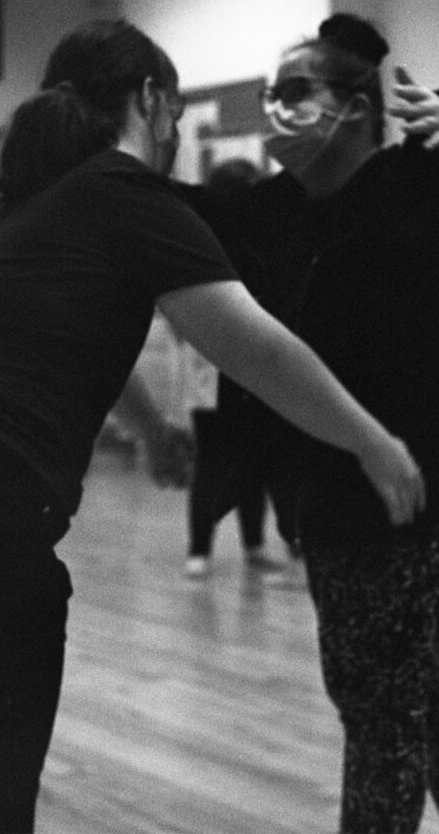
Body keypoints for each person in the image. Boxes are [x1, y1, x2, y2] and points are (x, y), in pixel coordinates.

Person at [0, 18, 426, 834]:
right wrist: (373, 440)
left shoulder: (30, 203)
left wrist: (155, 428)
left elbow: (74, 332)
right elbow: (251, 346)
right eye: (176, 119)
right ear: (154, 101)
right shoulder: (126, 192)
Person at [177, 13, 439, 833]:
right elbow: (179, 213)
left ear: (355, 109)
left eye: (296, 93)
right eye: (270, 96)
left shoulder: (406, 183)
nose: (276, 109)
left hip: (438, 487)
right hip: (333, 498)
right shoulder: (266, 211)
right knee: (408, 687)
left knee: (382, 702)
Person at [183, 157, 284, 578]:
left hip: (246, 361)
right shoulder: (204, 241)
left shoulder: (260, 239)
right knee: (215, 457)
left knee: (253, 457)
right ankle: (201, 547)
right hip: (212, 362)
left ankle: (253, 544)